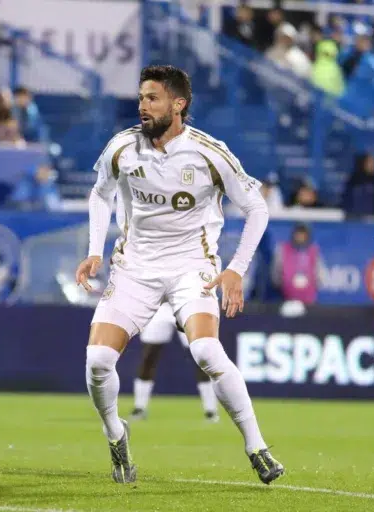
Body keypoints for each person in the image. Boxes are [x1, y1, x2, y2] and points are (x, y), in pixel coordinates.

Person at [75, 65, 284, 485]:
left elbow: (257, 208)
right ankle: (116, 433)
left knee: (206, 352)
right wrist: (95, 251)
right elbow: (101, 194)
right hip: (135, 269)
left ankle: (257, 447)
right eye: (141, 97)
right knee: (98, 360)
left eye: (152, 98)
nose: (143, 106)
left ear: (178, 104)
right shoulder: (122, 147)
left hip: (193, 268)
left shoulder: (209, 153)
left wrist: (236, 269)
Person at [130, 302, 219, 423]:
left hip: (186, 304)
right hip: (159, 306)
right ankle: (139, 407)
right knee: (148, 356)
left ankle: (211, 410)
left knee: (200, 356)